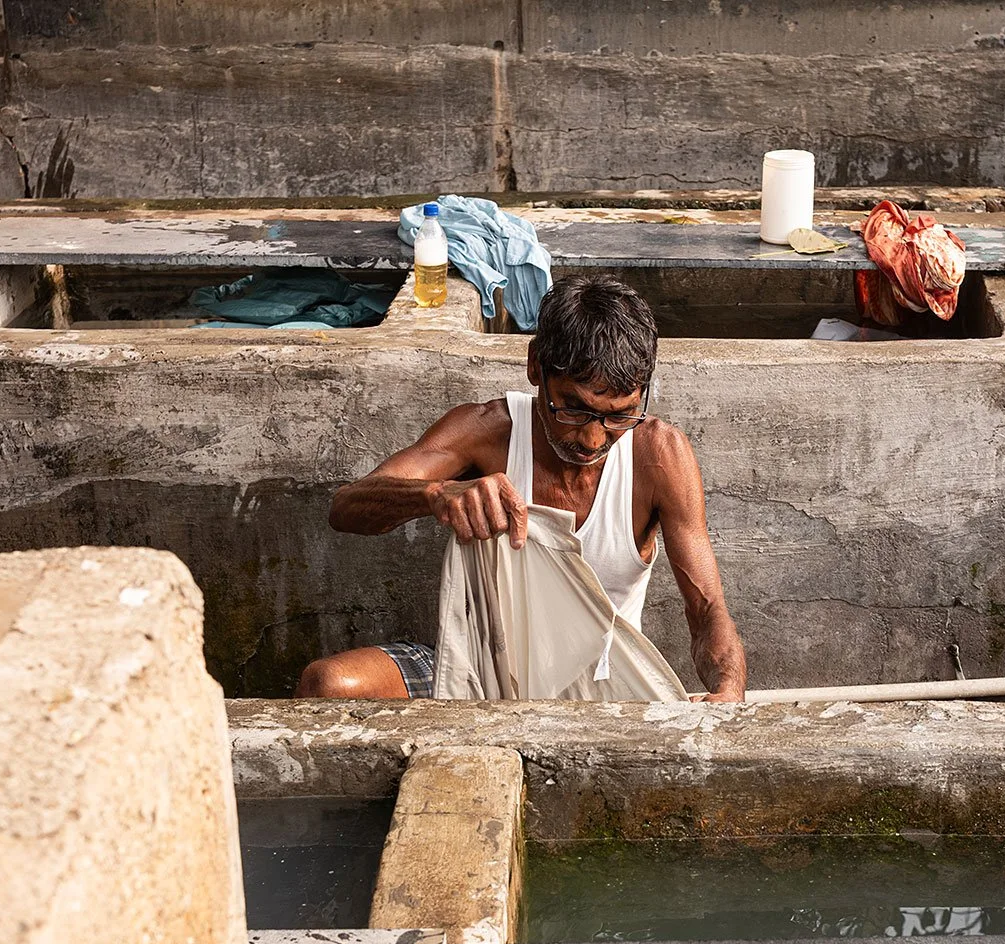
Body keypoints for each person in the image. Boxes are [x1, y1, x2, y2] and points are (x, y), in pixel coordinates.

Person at [298, 273, 748, 702]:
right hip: (480, 672)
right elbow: (346, 507)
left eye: (617, 415)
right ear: (536, 366)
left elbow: (707, 610)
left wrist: (728, 690)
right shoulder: (485, 432)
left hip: (602, 693)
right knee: (328, 683)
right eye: (573, 408)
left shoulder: (659, 455)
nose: (593, 439)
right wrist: (435, 496)